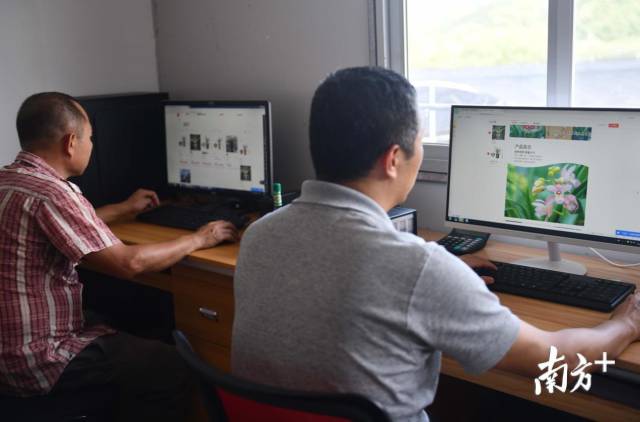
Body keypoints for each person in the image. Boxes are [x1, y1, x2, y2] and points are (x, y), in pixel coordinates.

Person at [231, 67, 640, 422]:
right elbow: (552, 360)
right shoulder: (416, 268)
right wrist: (625, 325)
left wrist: (442, 274)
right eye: (421, 142)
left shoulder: (260, 234)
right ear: (393, 159)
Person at [0, 92, 239, 420]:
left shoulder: (10, 182)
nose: (91, 145)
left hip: (7, 353)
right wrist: (200, 238)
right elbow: (130, 263)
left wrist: (124, 209)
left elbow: (62, 227)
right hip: (38, 361)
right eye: (90, 138)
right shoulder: (54, 194)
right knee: (173, 365)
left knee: (123, 322)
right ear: (71, 142)